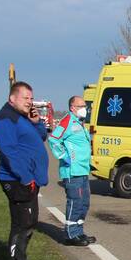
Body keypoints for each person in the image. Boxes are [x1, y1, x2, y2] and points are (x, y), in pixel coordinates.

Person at [0, 81, 49, 260]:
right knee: (22, 224)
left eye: (31, 98)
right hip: (17, 180)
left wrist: (36, 122)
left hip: (29, 179)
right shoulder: (5, 119)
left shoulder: (22, 117)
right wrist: (25, 177)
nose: (30, 102)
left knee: (30, 222)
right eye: (26, 98)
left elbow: (42, 136)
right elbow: (9, 152)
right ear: (12, 98)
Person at [49, 95, 97, 247]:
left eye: (85, 106)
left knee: (84, 203)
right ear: (72, 108)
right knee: (75, 202)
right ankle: (71, 234)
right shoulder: (67, 121)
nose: (84, 109)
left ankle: (79, 231)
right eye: (81, 106)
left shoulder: (80, 123)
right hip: (72, 171)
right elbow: (54, 139)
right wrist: (64, 156)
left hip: (83, 170)